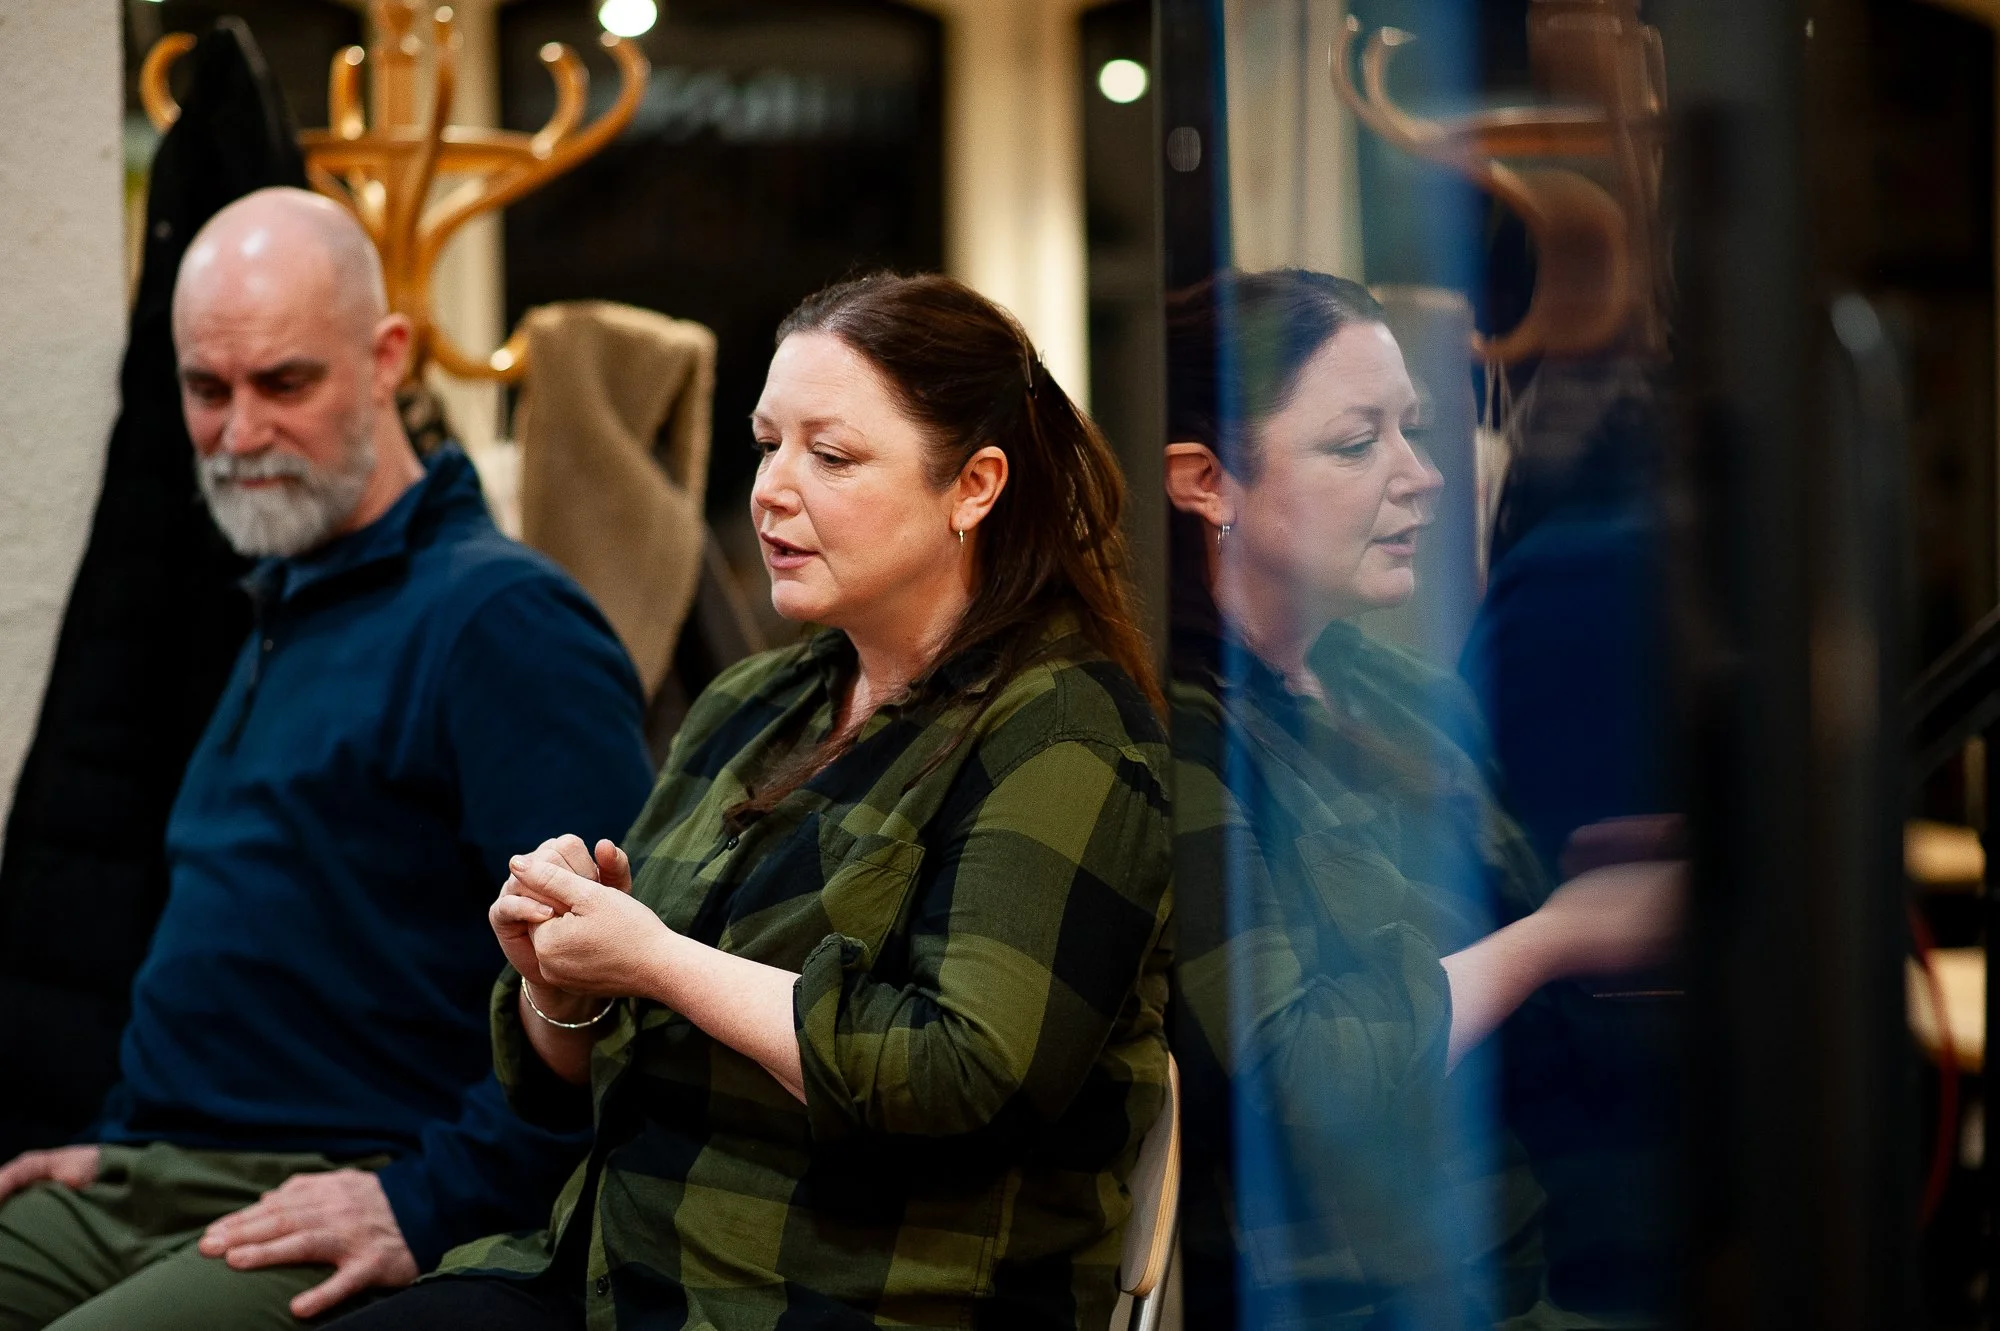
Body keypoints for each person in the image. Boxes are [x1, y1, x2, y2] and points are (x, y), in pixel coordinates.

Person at [328, 272, 1175, 1331]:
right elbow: (570, 1085)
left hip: (848, 1298)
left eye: (829, 456)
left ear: (974, 485)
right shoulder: (756, 698)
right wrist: (564, 978)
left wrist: (655, 958)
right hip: (606, 1267)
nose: (771, 488)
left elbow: (961, 1075)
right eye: (767, 442)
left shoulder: (1065, 734)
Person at [0, 188, 654, 1331]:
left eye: (284, 383)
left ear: (388, 355)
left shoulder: (503, 620)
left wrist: (425, 1197)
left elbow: (618, 995)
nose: (240, 433)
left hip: (335, 1187)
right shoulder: (279, 595)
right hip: (144, 1175)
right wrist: (123, 1142)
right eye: (209, 389)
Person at [1160, 268, 1680, 1330]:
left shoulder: (1405, 694)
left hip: (1529, 1263)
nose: (1424, 476)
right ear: (1205, 480)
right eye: (1357, 444)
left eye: (1413, 431)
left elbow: (1528, 1014)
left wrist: (1609, 892)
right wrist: (1552, 937)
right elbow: (1291, 1078)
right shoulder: (1159, 736)